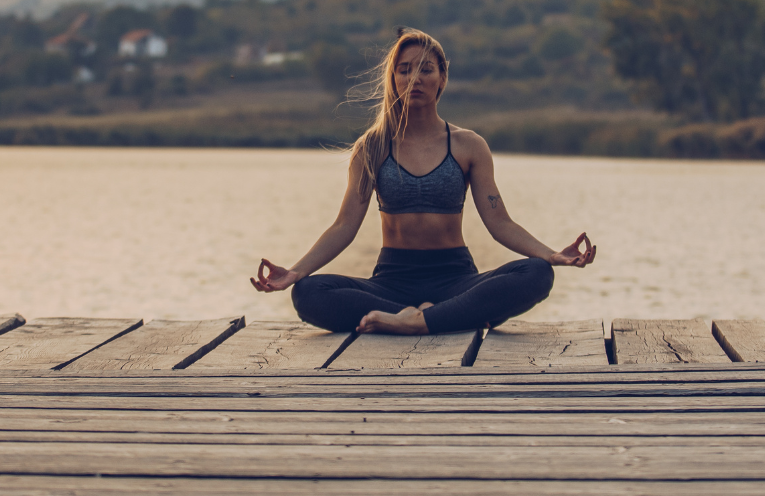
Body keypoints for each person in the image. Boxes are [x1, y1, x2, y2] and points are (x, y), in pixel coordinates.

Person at [250, 27, 596, 334]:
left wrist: (551, 255)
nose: (415, 78)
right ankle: (433, 318)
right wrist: (295, 272)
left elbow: (499, 221)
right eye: (405, 70)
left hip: (456, 278)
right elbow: (344, 225)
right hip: (391, 282)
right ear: (394, 79)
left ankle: (418, 321)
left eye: (425, 69)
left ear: (442, 78)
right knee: (309, 293)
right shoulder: (371, 148)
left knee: (536, 274)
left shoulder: (468, 145)